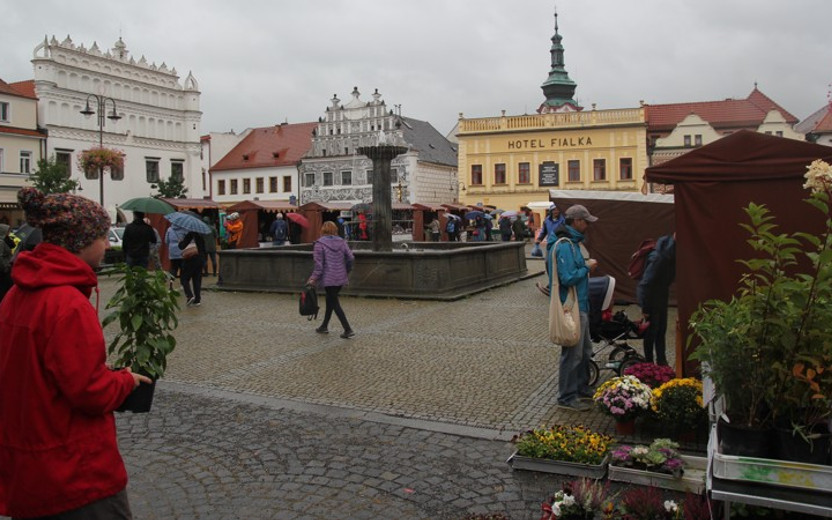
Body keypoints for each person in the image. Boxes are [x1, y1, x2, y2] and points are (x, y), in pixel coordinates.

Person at [0, 187, 151, 519]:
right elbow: (89, 392)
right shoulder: (66, 303)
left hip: (30, 467)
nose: (108, 245)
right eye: (102, 236)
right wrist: (123, 381)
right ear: (80, 242)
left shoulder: (17, 294)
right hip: (75, 474)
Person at [550, 204, 599, 412]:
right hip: (571, 306)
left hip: (582, 304)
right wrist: (586, 267)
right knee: (573, 353)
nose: (588, 225)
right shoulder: (565, 246)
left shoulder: (574, 244)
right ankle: (567, 396)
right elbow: (567, 278)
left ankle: (581, 387)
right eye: (585, 221)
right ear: (576, 221)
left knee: (585, 350)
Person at [307, 221, 355, 339]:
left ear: (323, 230)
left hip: (329, 278)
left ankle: (348, 329)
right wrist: (346, 270)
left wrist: (313, 278)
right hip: (340, 277)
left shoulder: (319, 244)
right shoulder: (342, 242)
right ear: (335, 230)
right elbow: (351, 258)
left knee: (334, 302)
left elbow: (319, 265)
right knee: (330, 299)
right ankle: (324, 326)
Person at [637, 233, 676, 366]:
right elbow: (645, 283)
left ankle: (661, 361)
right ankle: (649, 364)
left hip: (660, 295)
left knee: (660, 330)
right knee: (651, 332)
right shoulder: (660, 258)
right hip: (652, 297)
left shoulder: (670, 253)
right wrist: (645, 308)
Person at [178, 229, 206, 306]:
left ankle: (189, 295)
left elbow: (182, 246)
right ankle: (197, 300)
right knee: (197, 280)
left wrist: (180, 242)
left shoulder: (190, 235)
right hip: (200, 260)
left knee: (184, 278)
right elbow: (203, 249)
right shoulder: (200, 236)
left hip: (191, 260)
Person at [0, 224, 12, 302]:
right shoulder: (0, 242)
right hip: (3, 272)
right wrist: (6, 267)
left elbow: (12, 245)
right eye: (8, 231)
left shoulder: (4, 240)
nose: (9, 232)